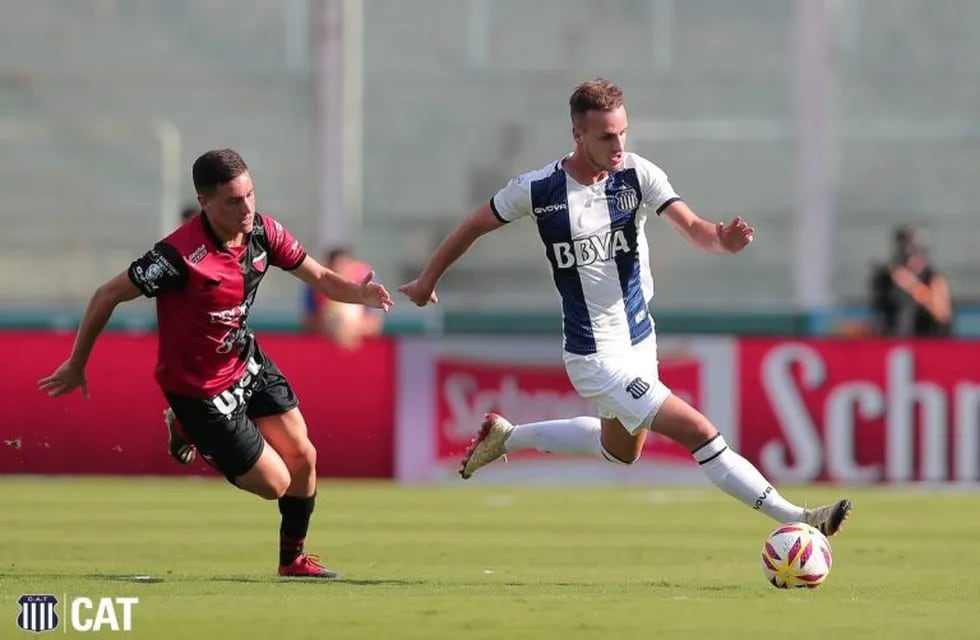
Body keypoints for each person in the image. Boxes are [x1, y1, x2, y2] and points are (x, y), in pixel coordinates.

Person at [399, 79, 852, 537]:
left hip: (639, 340)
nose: (618, 146)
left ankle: (508, 437)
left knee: (622, 452)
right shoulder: (538, 189)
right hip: (594, 356)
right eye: (606, 137)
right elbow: (472, 226)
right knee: (699, 431)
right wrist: (426, 280)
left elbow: (694, 227)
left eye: (623, 133)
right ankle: (799, 518)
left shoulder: (637, 175)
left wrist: (722, 241)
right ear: (577, 134)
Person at [38, 148, 393, 578]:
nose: (247, 209)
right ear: (205, 202)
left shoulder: (264, 233)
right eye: (233, 201)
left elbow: (319, 277)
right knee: (275, 483)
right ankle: (184, 425)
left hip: (245, 362)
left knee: (304, 455)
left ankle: (292, 560)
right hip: (199, 391)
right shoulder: (176, 257)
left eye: (250, 195)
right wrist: (77, 363)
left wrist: (361, 295)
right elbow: (106, 294)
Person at [869, 225, 952, 337]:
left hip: (926, 340)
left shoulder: (934, 278)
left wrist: (912, 286)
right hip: (891, 340)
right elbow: (879, 310)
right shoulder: (888, 277)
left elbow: (942, 313)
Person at [301, 247, 384, 349]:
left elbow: (375, 325)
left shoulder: (365, 281)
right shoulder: (315, 283)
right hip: (324, 349)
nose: (340, 272)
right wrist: (331, 328)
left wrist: (351, 329)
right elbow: (307, 321)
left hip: (361, 350)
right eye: (335, 269)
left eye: (343, 266)